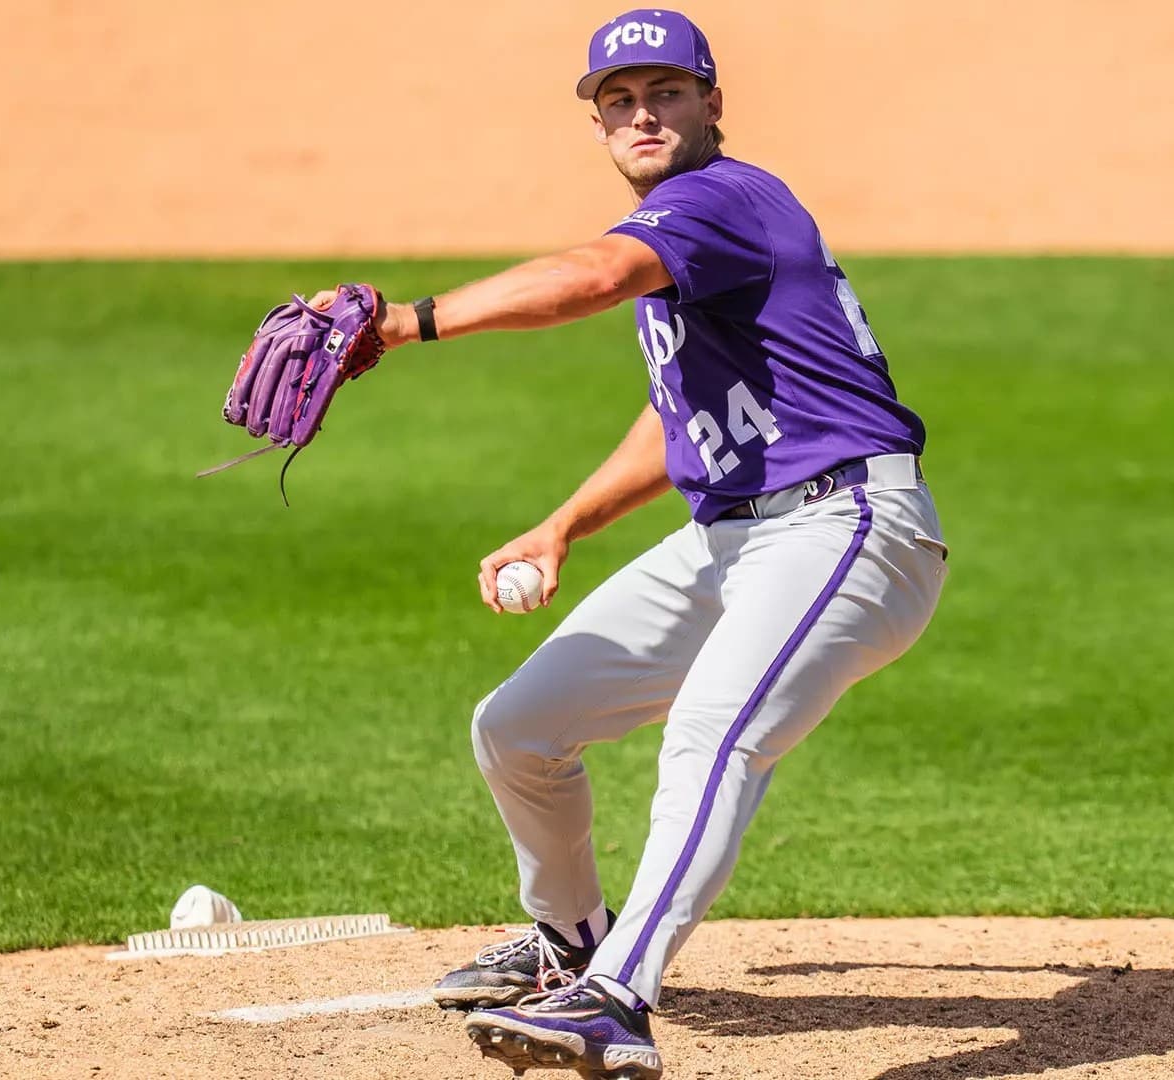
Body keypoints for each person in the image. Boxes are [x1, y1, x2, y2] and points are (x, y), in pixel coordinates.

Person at [309, 10, 947, 1078]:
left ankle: (616, 999)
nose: (641, 113)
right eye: (618, 99)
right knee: (520, 726)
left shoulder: (722, 200)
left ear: (711, 105)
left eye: (665, 93)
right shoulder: (687, 249)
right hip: (738, 539)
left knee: (712, 730)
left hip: (849, 525)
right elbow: (680, 423)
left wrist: (403, 323)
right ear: (598, 120)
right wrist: (565, 524)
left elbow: (592, 275)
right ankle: (572, 938)